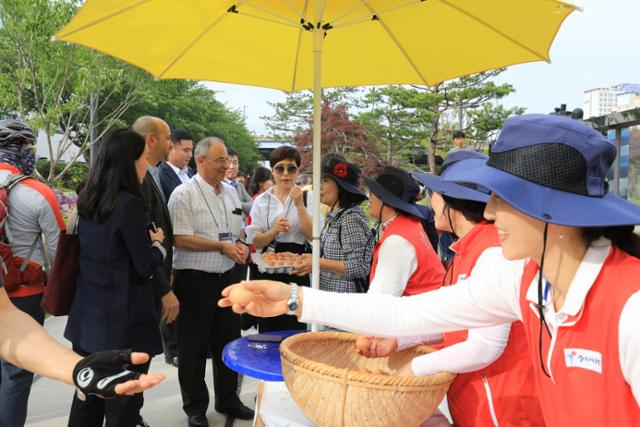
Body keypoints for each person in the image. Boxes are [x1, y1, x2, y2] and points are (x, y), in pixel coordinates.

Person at [221, 114, 640, 427]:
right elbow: (409, 313)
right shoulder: (527, 281)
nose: (490, 211)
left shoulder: (630, 306)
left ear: (555, 211)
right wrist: (292, 299)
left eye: (503, 198)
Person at [361, 151, 543, 426]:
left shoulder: (493, 253)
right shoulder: (466, 249)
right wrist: (399, 340)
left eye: (433, 193)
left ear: (451, 200)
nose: (428, 201)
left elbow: (484, 347)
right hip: (475, 399)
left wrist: (413, 368)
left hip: (502, 407)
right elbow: (455, 318)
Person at [65, 128, 169, 427]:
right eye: (143, 158)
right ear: (129, 161)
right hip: (124, 324)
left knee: (87, 397)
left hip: (88, 317)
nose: (146, 164)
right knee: (124, 404)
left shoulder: (88, 199)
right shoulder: (128, 204)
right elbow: (145, 265)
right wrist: (158, 244)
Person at [168, 137, 253, 426]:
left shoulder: (230, 192)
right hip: (194, 282)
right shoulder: (183, 194)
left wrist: (239, 244)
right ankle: (195, 408)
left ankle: (228, 398)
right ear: (200, 161)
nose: (226, 166)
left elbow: (237, 229)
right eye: (220, 160)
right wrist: (220, 247)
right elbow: (179, 238)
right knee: (192, 349)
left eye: (227, 160)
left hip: (227, 279)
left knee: (228, 343)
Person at [0, 119, 62, 426]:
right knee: (17, 374)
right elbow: (60, 250)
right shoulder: (37, 191)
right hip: (25, 294)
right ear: (23, 149)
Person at [246, 145, 315, 332]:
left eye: (291, 168)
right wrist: (274, 231)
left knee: (294, 324)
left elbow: (313, 236)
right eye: (280, 168)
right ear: (272, 171)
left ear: (298, 170)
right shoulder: (262, 200)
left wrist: (300, 206)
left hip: (297, 267)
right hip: (269, 265)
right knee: (268, 325)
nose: (286, 174)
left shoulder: (308, 197)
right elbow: (256, 241)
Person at [133, 116, 180, 382]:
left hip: (155, 275)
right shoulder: (137, 181)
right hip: (145, 284)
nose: (170, 143)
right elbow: (145, 241)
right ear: (151, 140)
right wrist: (163, 287)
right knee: (135, 360)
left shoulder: (152, 174)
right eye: (167, 137)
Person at [292, 155, 373, 294]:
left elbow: (359, 266)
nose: (319, 186)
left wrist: (317, 262)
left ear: (341, 187)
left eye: (325, 180)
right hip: (331, 298)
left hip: (344, 301)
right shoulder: (337, 216)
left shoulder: (351, 218)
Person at [364, 166, 444, 296]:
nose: (369, 197)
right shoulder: (410, 225)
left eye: (373, 193)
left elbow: (380, 300)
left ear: (385, 199)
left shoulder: (397, 241)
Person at [159, 128, 195, 202]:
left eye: (191, 150)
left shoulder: (190, 171)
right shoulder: (160, 175)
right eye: (186, 150)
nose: (190, 155)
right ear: (171, 149)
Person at [225, 148, 253, 215]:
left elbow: (253, 206)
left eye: (235, 163)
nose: (232, 167)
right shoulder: (217, 185)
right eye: (228, 162)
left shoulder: (239, 185)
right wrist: (243, 210)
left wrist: (237, 203)